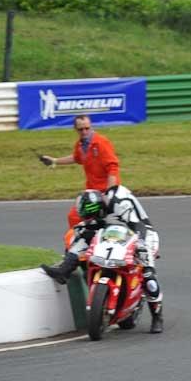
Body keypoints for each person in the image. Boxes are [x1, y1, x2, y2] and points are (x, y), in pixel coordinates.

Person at [40, 186, 164, 334]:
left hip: (143, 232)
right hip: (112, 230)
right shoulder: (97, 210)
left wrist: (140, 245)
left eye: (91, 215)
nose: (89, 219)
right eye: (87, 216)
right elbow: (91, 226)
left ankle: (157, 316)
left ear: (99, 207)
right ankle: (64, 271)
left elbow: (137, 225)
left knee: (148, 274)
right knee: (79, 236)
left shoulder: (120, 203)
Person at [39, 115, 121, 229]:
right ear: (75, 129)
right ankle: (81, 243)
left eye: (87, 128)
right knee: (75, 218)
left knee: (84, 219)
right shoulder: (80, 145)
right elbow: (76, 158)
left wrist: (110, 194)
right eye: (81, 129)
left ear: (91, 126)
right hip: (91, 192)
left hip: (104, 193)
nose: (84, 132)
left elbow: (113, 168)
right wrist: (55, 160)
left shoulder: (101, 143)